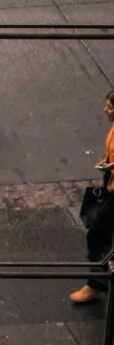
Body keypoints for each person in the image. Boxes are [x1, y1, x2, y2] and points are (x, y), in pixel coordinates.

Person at [72, 89, 114, 304]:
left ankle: (97, 282)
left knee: (97, 232)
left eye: (110, 107)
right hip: (110, 185)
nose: (105, 110)